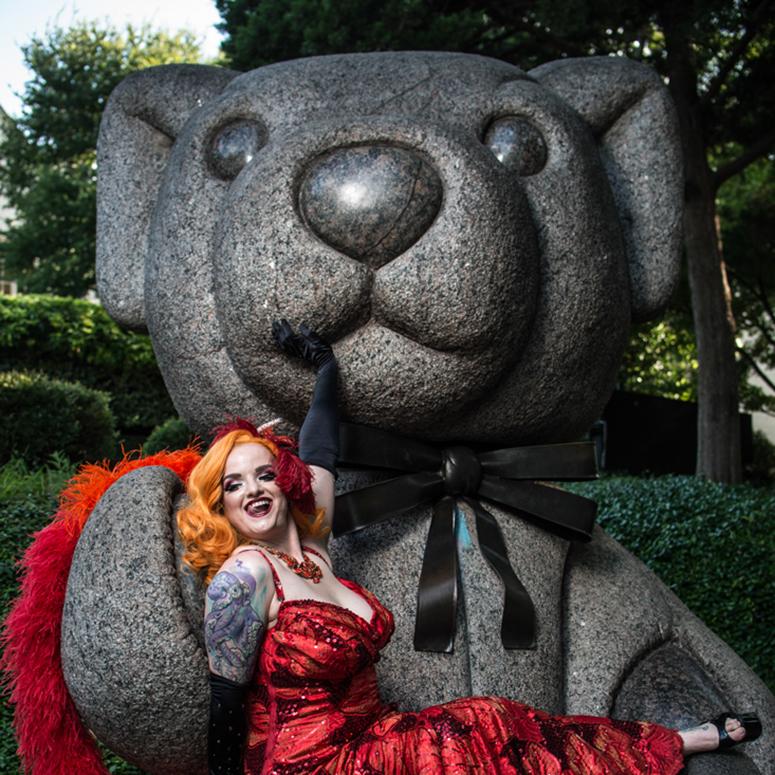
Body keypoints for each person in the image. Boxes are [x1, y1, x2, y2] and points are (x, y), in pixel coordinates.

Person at [177, 321, 762, 775]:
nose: (252, 490)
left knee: (492, 718)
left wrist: (324, 364)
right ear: (221, 505)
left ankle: (675, 742)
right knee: (468, 737)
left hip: (374, 742)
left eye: (261, 474)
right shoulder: (246, 576)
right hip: (310, 764)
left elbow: (321, 440)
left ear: (285, 478)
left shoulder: (314, 546)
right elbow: (225, 703)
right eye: (232, 485)